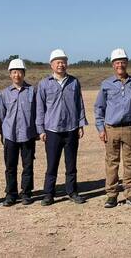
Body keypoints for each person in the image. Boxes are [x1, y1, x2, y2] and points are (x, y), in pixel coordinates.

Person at [36, 49, 88, 206]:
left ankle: (72, 192)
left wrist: (80, 124)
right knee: (52, 164)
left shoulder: (74, 82)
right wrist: (40, 130)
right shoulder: (44, 84)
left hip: (71, 129)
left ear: (67, 64)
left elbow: (79, 104)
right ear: (51, 64)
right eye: (58, 62)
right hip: (52, 130)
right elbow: (40, 108)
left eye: (63, 62)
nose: (61, 65)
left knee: (71, 164)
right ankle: (48, 194)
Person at [95, 48, 131, 208]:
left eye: (122, 62)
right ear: (112, 64)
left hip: (130, 128)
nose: (120, 65)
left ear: (127, 63)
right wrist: (100, 128)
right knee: (112, 163)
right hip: (111, 129)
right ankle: (111, 195)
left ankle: (130, 194)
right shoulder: (106, 84)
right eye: (117, 62)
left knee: (130, 163)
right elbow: (99, 108)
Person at [0, 58, 37, 206]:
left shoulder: (32, 91)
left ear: (24, 73)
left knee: (28, 166)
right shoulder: (4, 94)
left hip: (28, 134)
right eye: (14, 72)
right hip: (10, 135)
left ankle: (26, 193)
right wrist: (3, 132)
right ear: (10, 74)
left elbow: (37, 112)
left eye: (20, 72)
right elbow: (2, 116)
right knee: (10, 166)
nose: (17, 75)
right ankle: (11, 194)